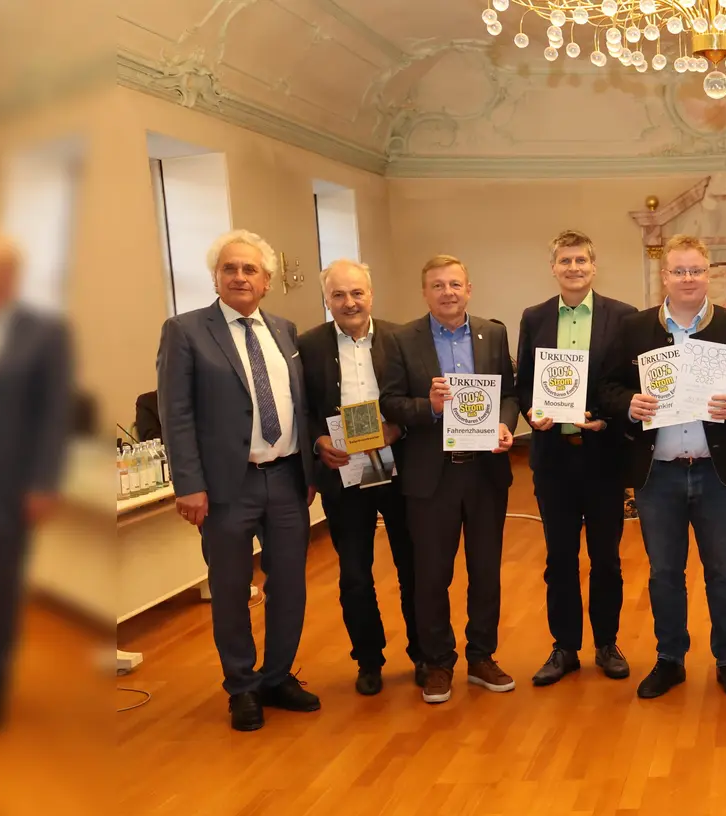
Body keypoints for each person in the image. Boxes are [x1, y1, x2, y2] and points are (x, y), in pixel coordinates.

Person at [156, 230, 317, 731]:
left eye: (250, 270)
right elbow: (175, 413)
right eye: (230, 268)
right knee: (230, 590)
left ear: (267, 281)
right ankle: (242, 686)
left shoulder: (285, 330)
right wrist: (188, 484)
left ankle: (277, 676)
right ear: (216, 278)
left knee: (289, 586)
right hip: (227, 486)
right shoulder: (185, 331)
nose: (240, 277)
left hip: (287, 477)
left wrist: (310, 467)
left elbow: (300, 403)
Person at [600, 235, 726, 700]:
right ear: (664, 276)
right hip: (659, 473)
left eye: (696, 270)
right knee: (664, 573)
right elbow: (607, 388)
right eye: (679, 271)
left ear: (708, 274)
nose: (688, 278)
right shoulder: (634, 328)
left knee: (724, 572)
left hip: (718, 472)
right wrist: (629, 404)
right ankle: (669, 659)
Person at [380, 255, 520, 705]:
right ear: (425, 293)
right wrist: (431, 407)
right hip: (430, 476)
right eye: (438, 285)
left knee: (485, 571)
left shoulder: (492, 333)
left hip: (484, 473)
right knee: (431, 575)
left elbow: (509, 394)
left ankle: (482, 657)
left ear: (468, 289)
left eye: (455, 284)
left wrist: (505, 425)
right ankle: (438, 662)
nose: (447, 292)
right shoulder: (401, 339)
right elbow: (390, 403)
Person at [515, 230, 636, 686]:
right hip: (554, 459)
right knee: (559, 559)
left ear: (593, 266)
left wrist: (605, 419)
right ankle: (564, 647)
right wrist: (532, 413)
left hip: (603, 457)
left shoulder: (621, 317)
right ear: (553, 268)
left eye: (581, 260)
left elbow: (627, 383)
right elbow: (525, 381)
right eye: (565, 260)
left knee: (606, 559)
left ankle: (607, 643)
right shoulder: (535, 317)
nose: (573, 267)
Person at [298, 259, 422, 697]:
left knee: (413, 568)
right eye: (338, 295)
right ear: (326, 299)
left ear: (371, 294)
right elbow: (301, 408)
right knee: (354, 574)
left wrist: (399, 428)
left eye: (357, 293)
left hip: (401, 467)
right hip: (342, 472)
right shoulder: (307, 346)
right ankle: (368, 659)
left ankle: (424, 654)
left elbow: (416, 397)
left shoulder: (401, 338)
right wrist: (317, 442)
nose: (349, 302)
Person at [0, 234, 72, 729]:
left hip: (7, 487)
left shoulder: (44, 333)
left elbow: (54, 413)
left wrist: (44, 480)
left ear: (11, 276)